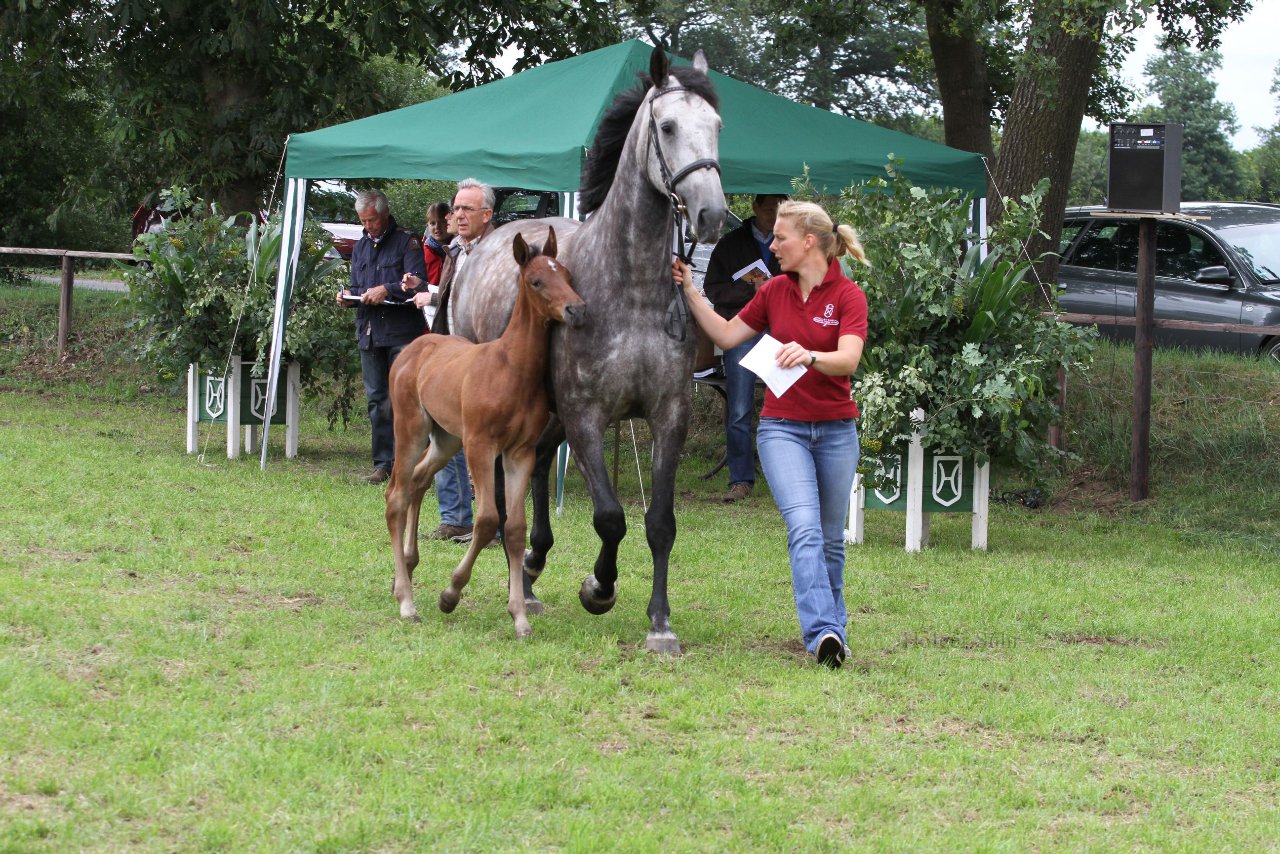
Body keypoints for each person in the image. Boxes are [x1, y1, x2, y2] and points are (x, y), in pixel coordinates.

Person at [673, 200, 869, 669]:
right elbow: (724, 335)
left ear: (808, 242)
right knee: (803, 528)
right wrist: (691, 291)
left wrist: (808, 355)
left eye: (780, 238)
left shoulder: (847, 296)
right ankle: (823, 632)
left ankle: (833, 631)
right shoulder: (774, 291)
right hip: (782, 430)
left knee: (829, 538)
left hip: (838, 430)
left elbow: (848, 360)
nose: (772, 245)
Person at [403, 179, 497, 542]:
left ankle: (495, 525)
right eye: (456, 208)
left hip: (487, 362)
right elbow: (451, 298)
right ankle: (455, 518)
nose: (457, 216)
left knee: (492, 448)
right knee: (444, 434)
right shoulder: (455, 250)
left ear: (487, 214)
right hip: (454, 355)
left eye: (467, 209)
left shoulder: (501, 249)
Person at [337, 189, 426, 484]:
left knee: (407, 401)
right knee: (377, 400)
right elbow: (356, 285)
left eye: (372, 220)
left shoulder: (407, 241)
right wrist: (347, 296)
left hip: (401, 333)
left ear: (385, 214)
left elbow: (418, 284)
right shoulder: (361, 245)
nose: (367, 226)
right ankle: (383, 463)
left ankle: (415, 462)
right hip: (369, 332)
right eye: (363, 221)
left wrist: (388, 288)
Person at [702, 194, 787, 503]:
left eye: (780, 210)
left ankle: (787, 477)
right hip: (741, 330)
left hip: (782, 331)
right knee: (739, 407)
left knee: (787, 404)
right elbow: (713, 289)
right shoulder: (731, 244)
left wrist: (775, 288)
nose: (774, 216)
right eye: (768, 209)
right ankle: (740, 479)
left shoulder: (789, 240)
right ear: (755, 207)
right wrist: (750, 289)